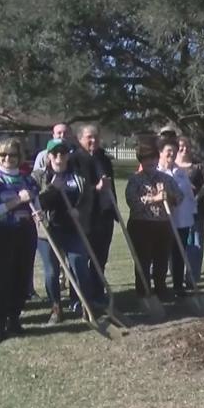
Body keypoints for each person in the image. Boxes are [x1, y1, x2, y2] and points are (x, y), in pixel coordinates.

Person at [35, 140, 103, 321]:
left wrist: (78, 212)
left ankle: (85, 305)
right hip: (48, 231)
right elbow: (36, 203)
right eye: (55, 153)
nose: (59, 157)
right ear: (48, 155)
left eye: (63, 153)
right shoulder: (39, 176)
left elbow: (87, 199)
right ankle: (56, 308)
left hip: (73, 229)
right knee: (51, 271)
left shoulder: (77, 176)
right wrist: (52, 188)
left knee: (80, 266)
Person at [0, 138, 40, 342]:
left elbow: (36, 206)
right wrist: (17, 201)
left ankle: (14, 319)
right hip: (2, 235)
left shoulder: (29, 180)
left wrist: (38, 213)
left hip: (26, 234)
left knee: (22, 279)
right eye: (3, 155)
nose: (8, 159)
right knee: (5, 279)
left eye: (12, 155)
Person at [124, 142, 183, 307]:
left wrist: (168, 196)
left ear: (157, 159)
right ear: (141, 161)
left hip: (163, 225)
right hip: (141, 225)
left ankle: (161, 289)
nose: (150, 163)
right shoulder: (135, 180)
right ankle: (143, 292)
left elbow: (179, 198)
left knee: (161, 260)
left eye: (153, 159)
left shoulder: (166, 179)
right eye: (146, 160)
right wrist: (153, 199)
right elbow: (132, 203)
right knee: (143, 260)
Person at [73, 124, 118, 292]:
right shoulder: (74, 160)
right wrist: (95, 188)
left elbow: (110, 186)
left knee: (100, 258)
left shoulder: (104, 159)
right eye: (89, 137)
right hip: (85, 217)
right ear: (79, 139)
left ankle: (98, 292)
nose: (94, 140)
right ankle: (79, 296)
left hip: (104, 215)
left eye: (96, 137)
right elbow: (73, 190)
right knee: (81, 259)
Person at [161, 139, 203, 296]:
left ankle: (178, 286)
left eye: (174, 151)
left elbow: (190, 196)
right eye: (168, 151)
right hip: (164, 221)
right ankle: (161, 286)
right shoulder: (159, 173)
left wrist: (192, 212)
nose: (171, 154)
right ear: (162, 154)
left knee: (179, 253)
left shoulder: (180, 173)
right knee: (163, 254)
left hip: (183, 219)